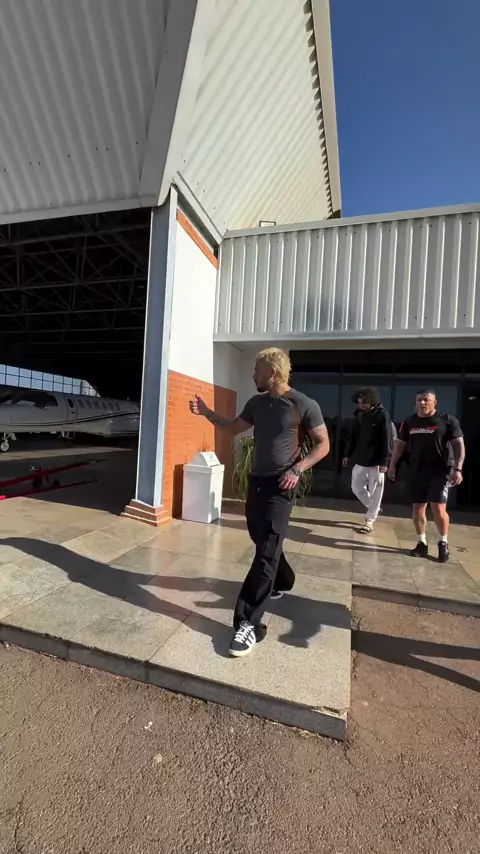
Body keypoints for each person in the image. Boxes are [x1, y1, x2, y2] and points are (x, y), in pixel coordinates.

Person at [189, 347, 329, 658]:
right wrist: (206, 412)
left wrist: (298, 469)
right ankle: (284, 579)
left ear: (273, 373)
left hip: (282, 484)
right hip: (257, 482)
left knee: (266, 552)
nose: (253, 375)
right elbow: (232, 427)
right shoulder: (256, 404)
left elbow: (323, 444)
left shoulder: (303, 404)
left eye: (257, 371)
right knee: (262, 540)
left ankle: (247, 623)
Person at [387, 389, 465, 563]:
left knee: (438, 509)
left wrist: (458, 469)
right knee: (417, 510)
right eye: (419, 400)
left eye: (426, 400)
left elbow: (459, 445)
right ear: (415, 403)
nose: (422, 403)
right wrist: (392, 465)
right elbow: (400, 445)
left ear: (434, 402)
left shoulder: (447, 420)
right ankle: (421, 543)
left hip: (440, 472)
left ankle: (443, 543)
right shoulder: (409, 422)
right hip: (416, 472)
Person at [343, 388, 395, 533]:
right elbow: (353, 437)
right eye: (359, 402)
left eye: (364, 403)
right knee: (356, 487)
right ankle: (375, 508)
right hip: (360, 459)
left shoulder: (382, 415)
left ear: (372, 401)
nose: (361, 405)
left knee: (376, 492)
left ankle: (369, 521)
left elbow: (388, 440)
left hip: (377, 462)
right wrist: (347, 454)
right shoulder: (359, 415)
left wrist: (385, 461)